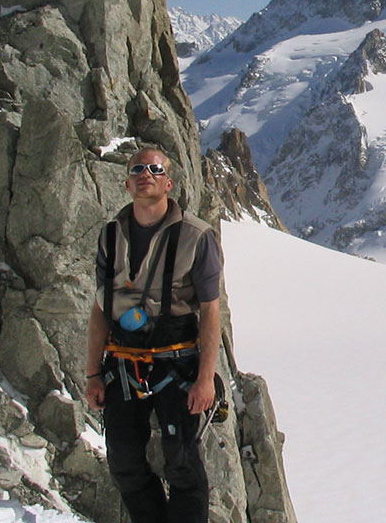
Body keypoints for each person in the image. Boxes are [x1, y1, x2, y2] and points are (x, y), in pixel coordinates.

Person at [84, 147, 223, 523]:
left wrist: (205, 378)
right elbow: (101, 307)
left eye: (155, 169)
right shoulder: (110, 236)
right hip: (122, 360)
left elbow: (211, 311)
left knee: (182, 464)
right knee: (124, 462)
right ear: (127, 183)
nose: (146, 174)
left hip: (176, 361)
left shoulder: (196, 236)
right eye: (137, 169)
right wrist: (93, 373)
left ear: (169, 182)